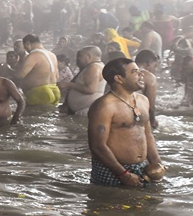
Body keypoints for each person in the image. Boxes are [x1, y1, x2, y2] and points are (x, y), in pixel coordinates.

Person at [87, 58, 165, 186]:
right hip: (112, 170)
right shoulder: (104, 106)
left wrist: (157, 163)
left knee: (147, 205)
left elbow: (148, 134)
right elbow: (97, 146)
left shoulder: (143, 100)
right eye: (135, 72)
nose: (141, 75)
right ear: (119, 79)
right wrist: (123, 174)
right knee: (110, 204)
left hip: (142, 168)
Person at [11, 34, 60, 106]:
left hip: (40, 93)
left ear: (27, 43)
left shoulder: (33, 55)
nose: (26, 50)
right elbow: (57, 76)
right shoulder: (52, 55)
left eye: (25, 47)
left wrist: (8, 70)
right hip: (55, 90)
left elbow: (20, 75)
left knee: (33, 115)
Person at [59, 46, 104, 115]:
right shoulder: (99, 66)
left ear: (88, 56)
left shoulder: (93, 67)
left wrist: (68, 84)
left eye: (81, 56)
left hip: (86, 110)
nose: (79, 59)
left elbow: (91, 89)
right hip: (84, 110)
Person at [134, 50, 161, 128]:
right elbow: (150, 106)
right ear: (149, 62)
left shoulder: (124, 72)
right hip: (136, 115)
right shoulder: (149, 77)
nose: (155, 69)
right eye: (155, 66)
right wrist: (153, 122)